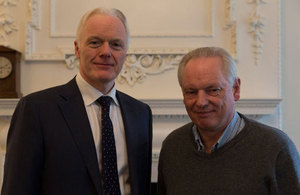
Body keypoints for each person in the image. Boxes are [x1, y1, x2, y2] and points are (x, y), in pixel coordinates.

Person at [1, 7, 152, 195]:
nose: (106, 52)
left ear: (125, 53)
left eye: (116, 44)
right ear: (77, 49)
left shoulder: (140, 113)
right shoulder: (36, 110)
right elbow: (17, 188)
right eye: (95, 42)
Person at [157, 47, 300, 194]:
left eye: (213, 90)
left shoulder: (275, 148)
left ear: (236, 89)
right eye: (191, 92)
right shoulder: (173, 147)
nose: (201, 102)